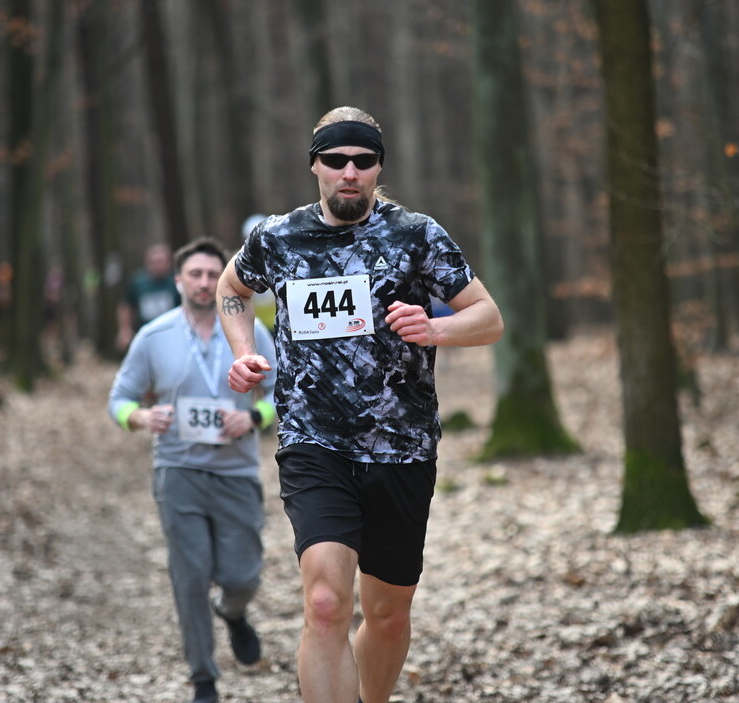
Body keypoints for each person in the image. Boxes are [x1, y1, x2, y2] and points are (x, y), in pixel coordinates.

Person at [216, 107, 504, 703]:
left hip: (402, 446)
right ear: (315, 166)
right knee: (325, 603)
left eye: (363, 161)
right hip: (313, 441)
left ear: (378, 168)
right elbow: (231, 287)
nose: (349, 172)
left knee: (388, 614)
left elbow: (488, 317)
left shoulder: (416, 234)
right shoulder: (277, 237)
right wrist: (244, 352)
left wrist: (435, 328)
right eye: (336, 160)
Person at [109, 237, 277, 703]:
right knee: (190, 577)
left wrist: (254, 417)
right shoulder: (153, 336)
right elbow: (118, 400)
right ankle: (203, 679)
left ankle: (234, 612)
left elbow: (285, 393)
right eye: (195, 275)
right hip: (177, 471)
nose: (204, 283)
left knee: (242, 576)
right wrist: (141, 417)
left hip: (236, 472)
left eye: (212, 275)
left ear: (224, 280)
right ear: (178, 280)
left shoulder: (249, 331)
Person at [117, 241, 180, 350]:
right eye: (154, 261)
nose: (158, 265)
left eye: (161, 261)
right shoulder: (138, 282)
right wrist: (125, 329)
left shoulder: (176, 282)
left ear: (169, 262)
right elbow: (126, 306)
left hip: (172, 335)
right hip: (145, 335)